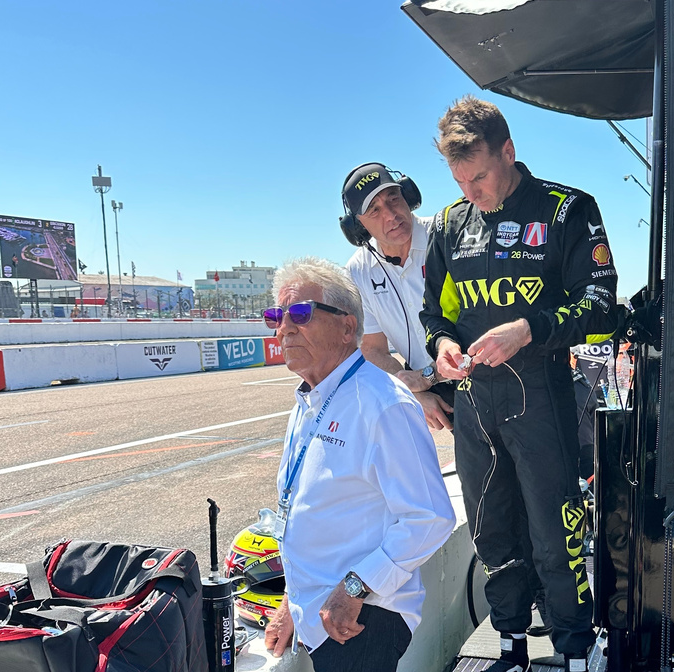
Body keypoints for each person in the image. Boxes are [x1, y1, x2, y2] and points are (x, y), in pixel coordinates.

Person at [421, 95, 618, 672]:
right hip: (475, 403)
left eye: (478, 176)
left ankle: (576, 646)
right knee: (491, 533)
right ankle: (508, 642)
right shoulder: (450, 223)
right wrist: (443, 346)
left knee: (555, 535)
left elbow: (602, 306)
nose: (470, 192)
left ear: (509, 151)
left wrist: (529, 329)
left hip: (545, 398)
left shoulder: (568, 209)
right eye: (459, 180)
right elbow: (436, 314)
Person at [262, 257, 456, 672]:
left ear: (347, 327)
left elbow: (430, 518)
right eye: (276, 316)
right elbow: (314, 512)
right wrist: (290, 604)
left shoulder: (384, 404)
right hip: (319, 609)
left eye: (300, 313)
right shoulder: (310, 399)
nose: (284, 328)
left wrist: (354, 589)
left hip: (362, 615)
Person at [340, 162, 454, 431]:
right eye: (374, 210)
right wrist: (412, 391)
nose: (391, 214)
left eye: (394, 198)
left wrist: (426, 378)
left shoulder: (446, 236)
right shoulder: (358, 270)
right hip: (435, 390)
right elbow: (372, 349)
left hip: (484, 374)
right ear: (357, 226)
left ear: (409, 197)